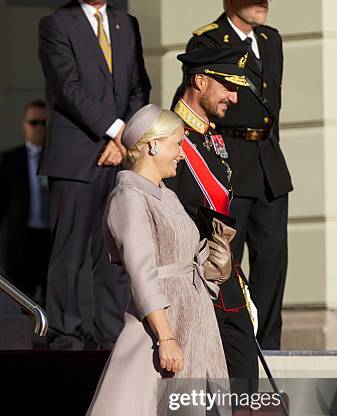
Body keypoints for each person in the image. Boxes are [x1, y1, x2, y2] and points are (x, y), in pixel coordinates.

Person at [55, 104, 233, 416]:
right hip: (167, 325)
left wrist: (213, 259)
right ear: (151, 145)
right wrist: (167, 335)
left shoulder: (166, 194)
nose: (182, 153)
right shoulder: (128, 196)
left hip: (195, 319)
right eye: (177, 144)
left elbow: (181, 261)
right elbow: (141, 270)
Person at [160, 46, 259, 416]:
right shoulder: (167, 138)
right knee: (193, 394)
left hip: (224, 283)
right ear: (198, 81)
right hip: (190, 284)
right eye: (226, 85)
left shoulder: (217, 140)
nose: (234, 95)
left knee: (239, 382)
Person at [173, 0, 293, 350]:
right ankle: (226, 343)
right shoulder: (208, 40)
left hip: (268, 162)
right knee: (227, 261)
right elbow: (194, 103)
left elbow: (274, 107)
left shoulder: (271, 39)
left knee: (272, 262)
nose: (262, 5)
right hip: (231, 159)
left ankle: (268, 346)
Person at [38, 0, 151, 349]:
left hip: (118, 155)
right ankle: (64, 334)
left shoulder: (126, 23)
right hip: (76, 155)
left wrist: (125, 139)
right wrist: (117, 130)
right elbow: (67, 87)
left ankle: (111, 335)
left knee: (113, 252)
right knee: (68, 251)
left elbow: (138, 85)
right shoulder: (56, 23)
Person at [0, 100, 50, 304]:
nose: (39, 128)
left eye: (43, 123)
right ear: (24, 124)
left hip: (50, 239)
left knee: (53, 300)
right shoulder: (9, 160)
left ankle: (54, 336)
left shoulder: (58, 159)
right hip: (21, 240)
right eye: (33, 122)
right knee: (20, 300)